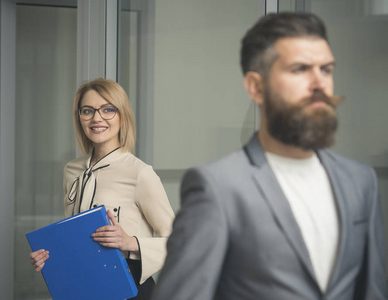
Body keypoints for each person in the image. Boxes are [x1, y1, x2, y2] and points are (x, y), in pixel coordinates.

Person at [152, 12, 387, 300]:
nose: (319, 83)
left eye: (326, 69)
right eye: (300, 69)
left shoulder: (361, 181)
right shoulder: (218, 187)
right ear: (256, 87)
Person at [29, 78, 175, 299]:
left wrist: (130, 242)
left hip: (128, 286)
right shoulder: (72, 170)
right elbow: (74, 237)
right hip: (84, 283)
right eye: (87, 111)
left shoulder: (140, 173)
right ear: (79, 117)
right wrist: (50, 257)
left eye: (108, 109)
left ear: (122, 115)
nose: (97, 118)